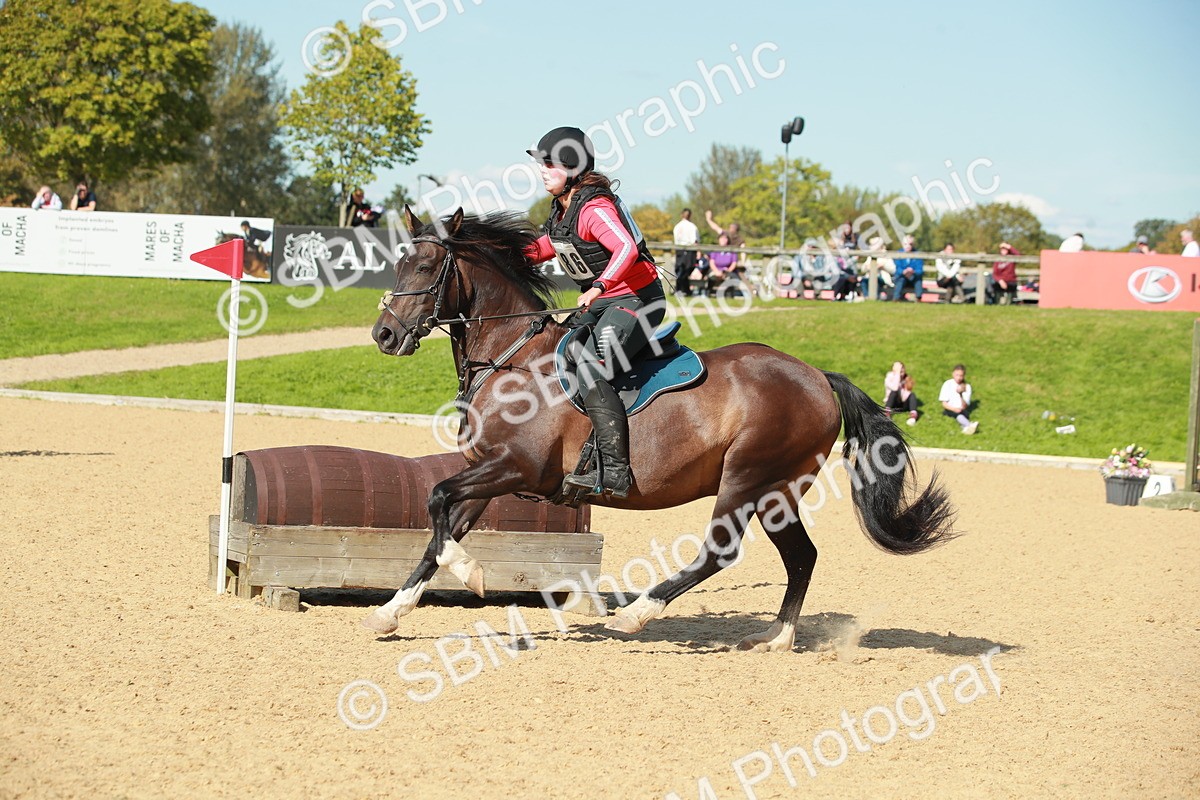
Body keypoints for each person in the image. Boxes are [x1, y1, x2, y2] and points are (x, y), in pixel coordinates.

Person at [524, 126, 665, 498]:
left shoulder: (594, 208)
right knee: (560, 349)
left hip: (637, 299)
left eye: (548, 164)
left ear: (571, 168)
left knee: (591, 363)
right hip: (604, 302)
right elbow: (542, 248)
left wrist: (600, 286)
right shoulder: (564, 210)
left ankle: (617, 472)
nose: (541, 170)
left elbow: (624, 250)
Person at [939, 364, 978, 435]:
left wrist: (961, 394)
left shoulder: (967, 386)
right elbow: (944, 403)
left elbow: (965, 405)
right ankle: (969, 425)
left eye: (961, 376)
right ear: (953, 374)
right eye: (957, 375)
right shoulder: (947, 384)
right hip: (950, 409)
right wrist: (954, 409)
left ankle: (966, 428)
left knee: (961, 413)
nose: (959, 378)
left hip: (961, 410)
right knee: (957, 414)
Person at [672, 208, 700, 296]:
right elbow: (695, 241)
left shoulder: (677, 226)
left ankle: (682, 289)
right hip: (689, 250)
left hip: (679, 250)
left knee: (680, 269)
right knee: (685, 271)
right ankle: (682, 289)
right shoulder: (692, 227)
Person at [883, 361, 918, 426]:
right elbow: (895, 388)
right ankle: (886, 413)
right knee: (894, 392)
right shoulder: (889, 378)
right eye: (898, 368)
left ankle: (913, 416)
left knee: (912, 395)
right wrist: (897, 374)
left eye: (902, 368)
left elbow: (908, 392)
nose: (900, 370)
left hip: (903, 403)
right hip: (893, 403)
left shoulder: (907, 378)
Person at [892, 235, 924, 302]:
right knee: (901, 279)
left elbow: (920, 270)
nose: (908, 246)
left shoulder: (918, 254)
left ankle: (919, 299)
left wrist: (913, 271)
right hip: (902, 277)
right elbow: (897, 268)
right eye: (906, 244)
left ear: (913, 244)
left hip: (913, 277)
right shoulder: (898, 253)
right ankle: (896, 299)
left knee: (918, 280)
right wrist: (904, 271)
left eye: (910, 244)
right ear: (902, 244)